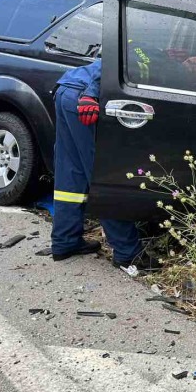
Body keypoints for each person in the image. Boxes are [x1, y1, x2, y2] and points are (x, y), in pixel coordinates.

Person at [51, 56, 151, 275]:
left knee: (71, 172)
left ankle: (65, 241)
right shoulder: (152, 40)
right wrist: (91, 92)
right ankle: (128, 252)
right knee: (104, 174)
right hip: (86, 97)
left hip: (68, 89)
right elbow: (113, 59)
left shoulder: (154, 39)